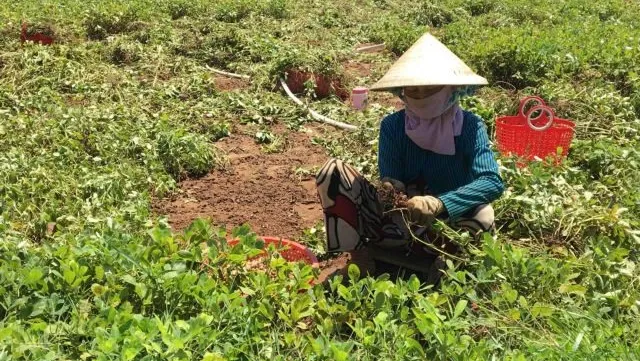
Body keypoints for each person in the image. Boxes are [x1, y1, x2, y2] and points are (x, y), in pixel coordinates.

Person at [315, 33, 504, 279]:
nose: (420, 94)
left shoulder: (470, 126)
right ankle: (360, 256)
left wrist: (439, 203)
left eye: (429, 88)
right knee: (333, 172)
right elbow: (391, 176)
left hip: (446, 224)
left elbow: (491, 181)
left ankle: (449, 258)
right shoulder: (393, 126)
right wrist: (391, 187)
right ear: (401, 91)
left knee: (484, 213)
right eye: (413, 89)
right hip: (400, 223)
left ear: (451, 89)